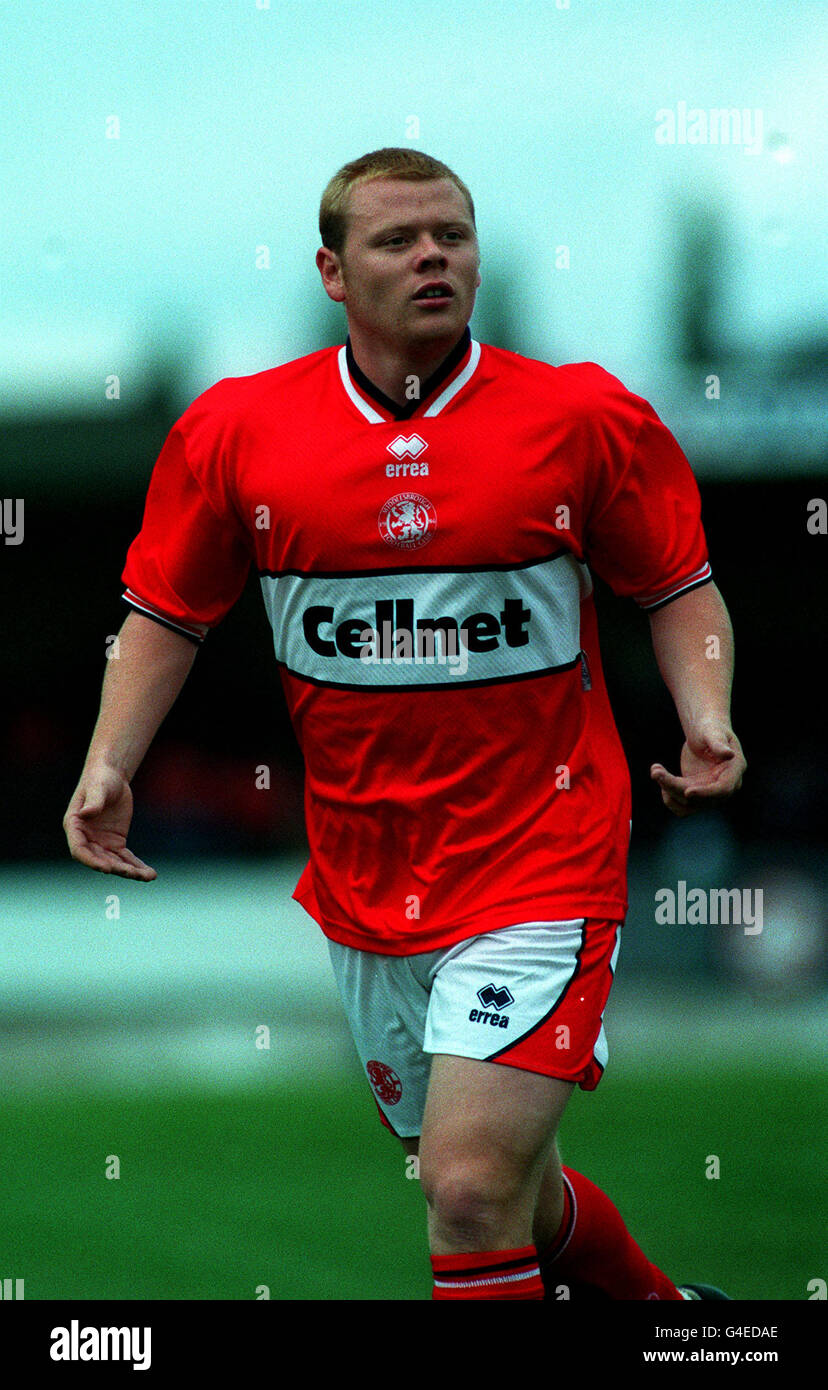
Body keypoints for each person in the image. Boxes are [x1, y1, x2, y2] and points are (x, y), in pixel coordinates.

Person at [64, 147, 746, 1301]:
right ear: (333, 271)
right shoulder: (237, 431)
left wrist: (707, 715)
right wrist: (106, 762)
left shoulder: (579, 414)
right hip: (367, 880)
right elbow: (166, 612)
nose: (433, 255)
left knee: (470, 1193)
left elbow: (678, 585)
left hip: (546, 857)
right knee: (506, 1194)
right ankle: (682, 1322)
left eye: (453, 235)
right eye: (398, 239)